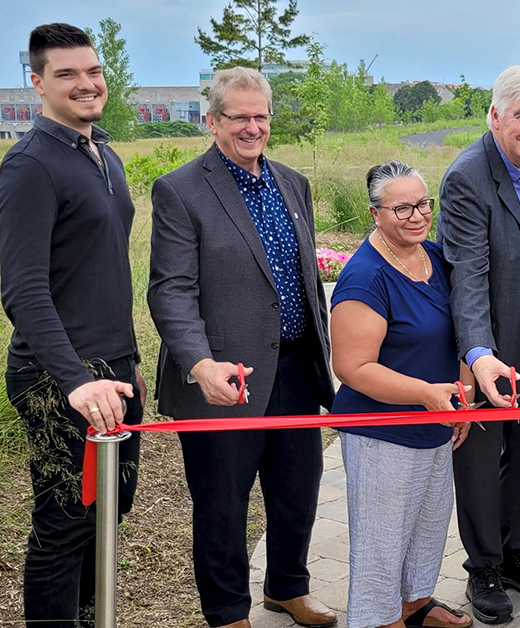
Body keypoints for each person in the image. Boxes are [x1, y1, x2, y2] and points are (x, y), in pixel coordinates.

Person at [148, 67, 336, 628]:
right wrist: (200, 363)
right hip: (225, 378)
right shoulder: (180, 190)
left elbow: (302, 279)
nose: (252, 127)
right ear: (212, 121)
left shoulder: (292, 182)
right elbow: (170, 289)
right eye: (239, 117)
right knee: (222, 503)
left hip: (298, 368)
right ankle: (227, 609)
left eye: (261, 116)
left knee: (297, 489)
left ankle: (287, 586)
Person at [0, 23, 145, 627]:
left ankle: (89, 617)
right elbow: (23, 290)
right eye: (66, 74)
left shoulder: (101, 153)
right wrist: (73, 380)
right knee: (64, 522)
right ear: (37, 83)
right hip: (60, 375)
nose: (86, 84)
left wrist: (128, 358)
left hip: (114, 368)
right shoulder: (29, 166)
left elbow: (100, 266)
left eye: (93, 71)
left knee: (108, 511)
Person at [436, 65, 520, 624]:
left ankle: (518, 554)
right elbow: (466, 272)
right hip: (487, 346)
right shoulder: (466, 178)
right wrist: (478, 353)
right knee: (483, 459)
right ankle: (484, 567)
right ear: (494, 116)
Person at [330, 160, 474, 628]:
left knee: (428, 525)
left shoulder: (433, 257)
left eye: (422, 204)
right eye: (401, 208)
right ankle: (377, 617)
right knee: (382, 539)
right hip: (382, 432)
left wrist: (461, 399)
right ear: (375, 214)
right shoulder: (365, 277)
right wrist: (425, 394)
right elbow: (351, 367)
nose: (416, 215)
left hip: (434, 420)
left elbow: (457, 334)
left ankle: (414, 604)